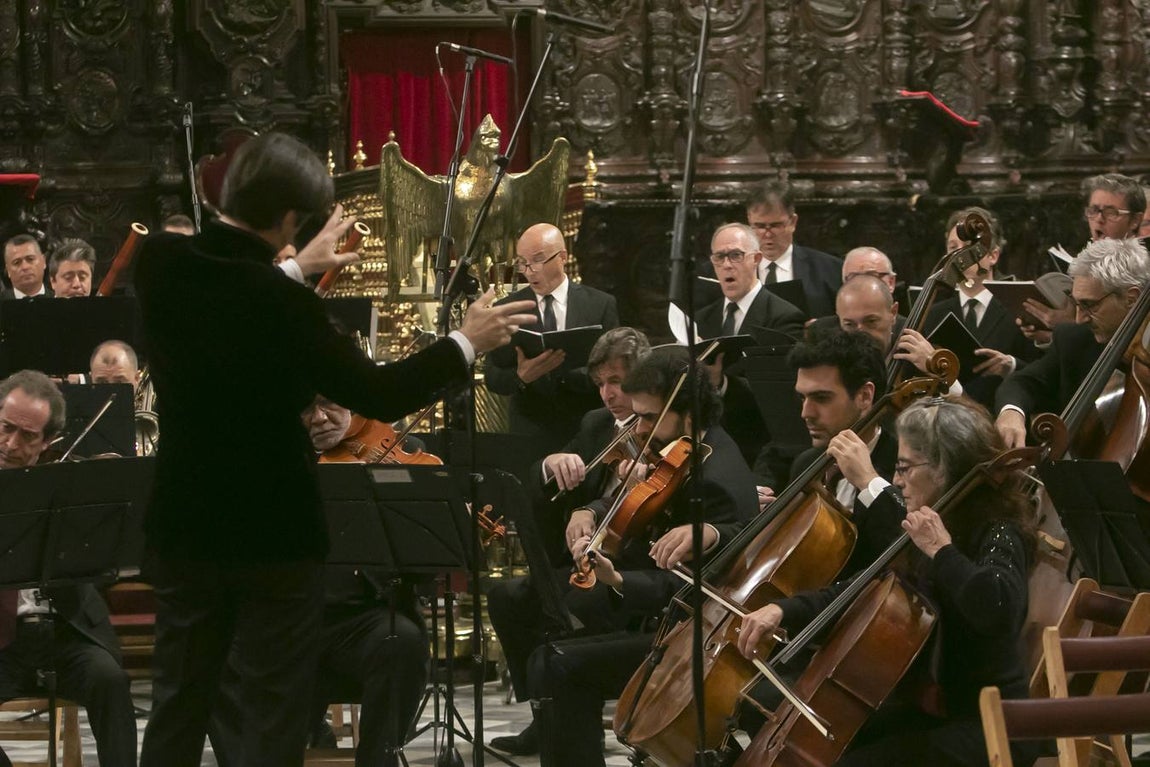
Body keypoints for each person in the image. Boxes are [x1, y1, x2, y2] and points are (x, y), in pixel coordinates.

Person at [134, 131, 537, 767]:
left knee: (179, 701)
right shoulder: (286, 306)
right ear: (291, 219)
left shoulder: (160, 264)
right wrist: (465, 341)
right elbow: (379, 391)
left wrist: (296, 269)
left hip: (186, 525)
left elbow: (229, 295)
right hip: (273, 534)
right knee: (273, 710)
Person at [737, 397, 1042, 767]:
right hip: (926, 709)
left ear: (946, 468)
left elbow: (998, 609)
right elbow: (860, 589)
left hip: (989, 724)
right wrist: (781, 610)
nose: (896, 480)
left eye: (904, 467)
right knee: (786, 720)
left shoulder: (999, 530)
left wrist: (942, 551)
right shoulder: (927, 523)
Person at [489, 346, 757, 759]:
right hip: (646, 595)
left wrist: (616, 580)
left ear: (688, 411)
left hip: (689, 633)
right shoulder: (684, 451)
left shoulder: (716, 478)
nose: (636, 430)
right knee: (533, 608)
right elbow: (636, 501)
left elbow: (696, 592)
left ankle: (559, 711)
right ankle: (551, 710)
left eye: (648, 417)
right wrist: (594, 514)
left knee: (554, 658)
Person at [209, 395, 430, 767]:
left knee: (402, 641)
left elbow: (422, 564)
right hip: (284, 623)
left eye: (330, 405)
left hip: (358, 622)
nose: (320, 418)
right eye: (305, 409)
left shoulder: (393, 451)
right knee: (210, 654)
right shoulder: (266, 459)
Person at [0, 370, 136, 767]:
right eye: (6, 428)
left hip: (65, 630)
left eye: (28, 436)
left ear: (48, 442)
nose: (11, 444)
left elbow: (103, 567)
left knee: (109, 680)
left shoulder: (70, 487)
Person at [995, 236, 1149, 448]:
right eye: (1076, 303)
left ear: (1132, 298)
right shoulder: (1075, 338)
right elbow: (1024, 382)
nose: (1079, 318)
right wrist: (1011, 412)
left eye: (1089, 305)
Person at [484, 222, 620, 453]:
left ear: (563, 257)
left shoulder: (600, 304)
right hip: (528, 432)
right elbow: (493, 377)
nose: (529, 271)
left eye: (538, 260)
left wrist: (564, 374)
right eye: (522, 263)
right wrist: (521, 377)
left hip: (585, 426)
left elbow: (614, 369)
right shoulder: (506, 308)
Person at [528, 326, 651, 564]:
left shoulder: (662, 427)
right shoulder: (597, 422)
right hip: (583, 554)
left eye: (615, 382)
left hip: (632, 559)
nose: (607, 395)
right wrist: (552, 462)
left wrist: (591, 510)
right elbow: (539, 477)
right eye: (600, 384)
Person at [909, 207, 1038, 409]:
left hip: (999, 417)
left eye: (969, 246)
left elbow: (1044, 370)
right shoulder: (934, 313)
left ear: (993, 255)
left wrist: (1011, 365)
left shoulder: (1020, 306)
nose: (959, 257)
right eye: (953, 248)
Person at [1021, 173, 1146, 341]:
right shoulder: (1083, 263)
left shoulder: (1143, 270)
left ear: (1135, 220)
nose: (1099, 220)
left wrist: (1069, 327)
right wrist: (1048, 336)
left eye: (1111, 212)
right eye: (1094, 211)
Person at [744, 180, 842, 318]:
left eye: (775, 225)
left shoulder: (829, 269)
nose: (767, 234)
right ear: (749, 221)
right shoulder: (736, 269)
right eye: (759, 226)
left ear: (793, 222)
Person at [1, 235, 48, 299]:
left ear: (43, 261)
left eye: (30, 259)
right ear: (8, 270)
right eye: (16, 262)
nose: (25, 267)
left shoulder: (61, 301)